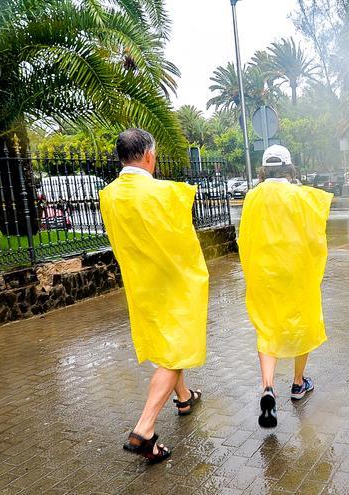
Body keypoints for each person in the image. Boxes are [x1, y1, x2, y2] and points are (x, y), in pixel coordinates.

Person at [99, 128, 209, 463]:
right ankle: (144, 429)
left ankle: (185, 398)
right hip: (172, 285)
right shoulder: (166, 193)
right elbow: (183, 243)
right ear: (149, 155)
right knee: (175, 352)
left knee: (167, 345)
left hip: (140, 285)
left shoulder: (109, 195)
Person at [238, 145, 332, 428]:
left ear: (264, 169)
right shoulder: (302, 196)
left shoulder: (252, 197)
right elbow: (317, 235)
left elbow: (245, 237)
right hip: (296, 272)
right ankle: (297, 382)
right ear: (289, 168)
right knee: (302, 323)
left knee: (267, 327)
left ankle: (268, 386)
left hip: (265, 273)